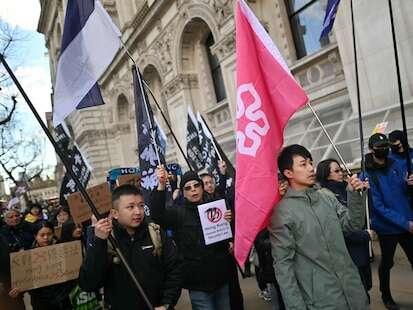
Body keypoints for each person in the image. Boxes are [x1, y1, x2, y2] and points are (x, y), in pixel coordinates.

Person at [270, 144, 369, 309]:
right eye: (303, 164)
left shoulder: (326, 197)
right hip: (322, 300)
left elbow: (352, 224)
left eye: (310, 162)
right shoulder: (282, 213)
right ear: (288, 173)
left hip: (353, 291)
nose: (311, 168)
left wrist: (354, 194)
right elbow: (283, 266)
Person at [79, 184, 182, 310]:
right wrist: (99, 242)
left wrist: (167, 303)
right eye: (130, 207)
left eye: (141, 206)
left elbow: (175, 269)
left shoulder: (155, 232)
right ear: (115, 213)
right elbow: (88, 283)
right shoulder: (106, 240)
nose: (138, 212)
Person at [151, 167, 233, 310]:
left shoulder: (217, 206)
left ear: (202, 188)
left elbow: (227, 236)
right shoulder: (177, 213)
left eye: (196, 186)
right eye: (188, 188)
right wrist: (161, 185)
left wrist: (228, 222)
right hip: (198, 283)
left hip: (221, 277)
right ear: (183, 192)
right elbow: (157, 215)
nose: (193, 190)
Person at [364, 133, 413, 310]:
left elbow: (403, 192)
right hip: (387, 228)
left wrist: (409, 184)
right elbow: (378, 207)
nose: (384, 149)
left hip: (407, 222)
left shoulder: (397, 163)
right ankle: (386, 296)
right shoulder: (368, 174)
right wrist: (405, 223)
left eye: (386, 145)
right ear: (371, 149)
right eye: (380, 146)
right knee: (387, 263)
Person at [316, 159, 373, 299]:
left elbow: (363, 214)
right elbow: (340, 228)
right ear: (326, 175)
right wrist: (364, 235)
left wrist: (364, 192)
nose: (341, 173)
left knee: (367, 285)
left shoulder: (347, 188)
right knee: (360, 292)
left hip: (362, 246)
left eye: (340, 169)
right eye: (336, 171)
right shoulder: (325, 196)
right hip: (349, 251)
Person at [9, 221, 76, 310]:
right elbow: (25, 280)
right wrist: (18, 290)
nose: (46, 238)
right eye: (42, 235)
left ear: (53, 234)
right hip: (41, 303)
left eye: (49, 234)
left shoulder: (64, 250)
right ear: (35, 236)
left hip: (63, 300)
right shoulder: (27, 257)